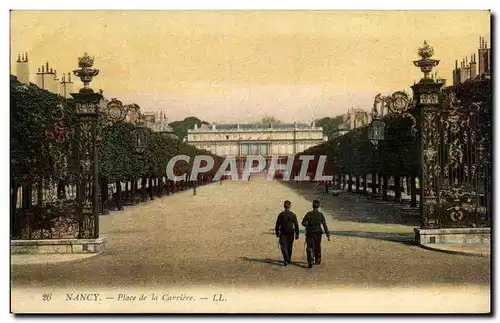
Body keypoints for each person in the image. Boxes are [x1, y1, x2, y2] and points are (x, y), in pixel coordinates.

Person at [301, 200, 330, 268]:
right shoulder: (320, 214)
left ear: (312, 206)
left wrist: (307, 225)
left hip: (310, 232)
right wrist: (328, 235)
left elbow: (303, 223)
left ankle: (310, 260)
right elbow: (324, 225)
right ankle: (317, 259)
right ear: (318, 206)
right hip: (318, 233)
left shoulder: (308, 214)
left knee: (310, 247)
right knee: (317, 246)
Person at [275, 200, 299, 266]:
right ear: (290, 206)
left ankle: (286, 258)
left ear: (284, 206)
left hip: (283, 233)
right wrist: (297, 234)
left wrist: (277, 232)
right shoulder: (293, 215)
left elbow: (277, 225)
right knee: (289, 246)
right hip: (291, 233)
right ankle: (288, 259)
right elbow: (296, 225)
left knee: (283, 247)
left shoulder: (281, 214)